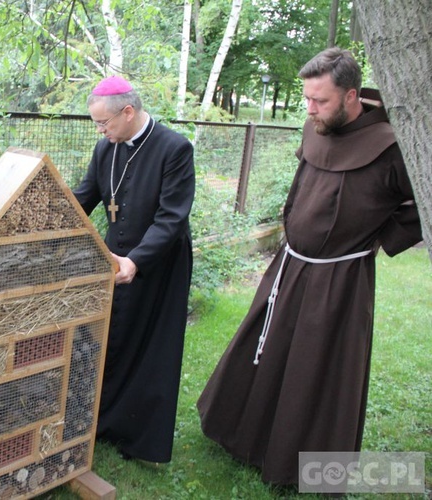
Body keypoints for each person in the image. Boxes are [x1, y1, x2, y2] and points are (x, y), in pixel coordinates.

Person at [197, 48, 422, 485]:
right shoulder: (317, 124)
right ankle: (244, 439)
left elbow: (419, 207)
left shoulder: (392, 146)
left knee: (315, 370)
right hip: (290, 265)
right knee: (265, 352)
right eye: (307, 98)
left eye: (320, 100)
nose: (310, 109)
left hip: (340, 279)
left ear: (352, 95)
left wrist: (378, 239)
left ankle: (301, 468)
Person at [72, 76, 195, 463]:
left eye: (104, 123)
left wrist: (137, 260)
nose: (101, 131)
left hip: (159, 263)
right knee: (110, 340)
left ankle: (138, 436)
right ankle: (102, 422)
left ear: (128, 112)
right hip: (114, 258)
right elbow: (84, 197)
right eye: (97, 125)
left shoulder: (174, 148)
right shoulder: (106, 148)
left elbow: (171, 218)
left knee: (149, 348)